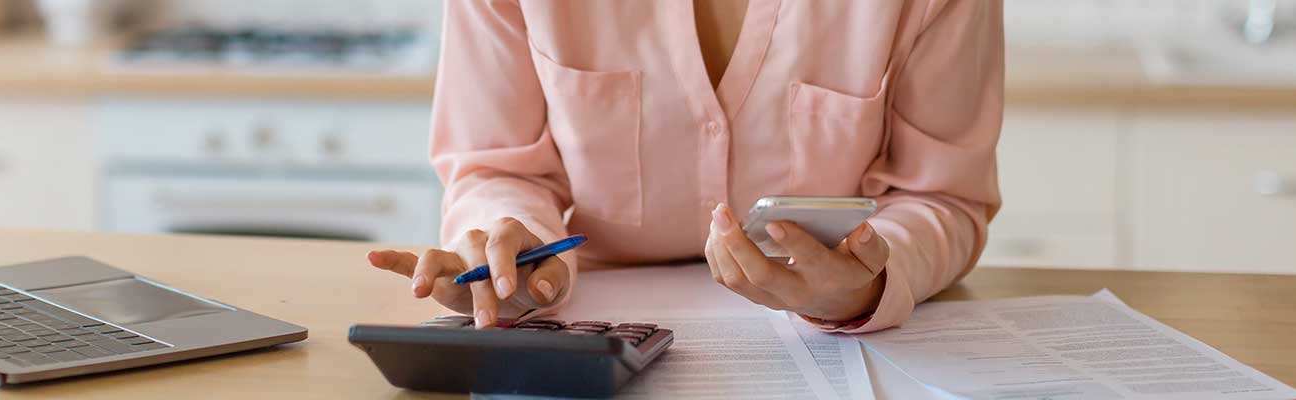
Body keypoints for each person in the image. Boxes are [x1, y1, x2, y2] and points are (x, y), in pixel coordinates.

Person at [367, 0, 1003, 332]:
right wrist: (511, 256)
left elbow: (945, 196)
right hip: (592, 339)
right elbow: (498, 170)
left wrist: (865, 281)